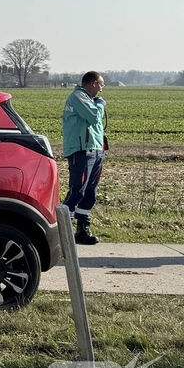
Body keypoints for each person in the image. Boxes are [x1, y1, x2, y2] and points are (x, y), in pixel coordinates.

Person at [62, 71, 107, 245]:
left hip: (95, 150)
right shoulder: (78, 96)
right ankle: (61, 231)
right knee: (77, 190)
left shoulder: (89, 99)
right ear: (94, 83)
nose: (101, 90)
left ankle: (82, 229)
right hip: (81, 150)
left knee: (90, 192)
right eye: (101, 85)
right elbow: (93, 116)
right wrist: (101, 105)